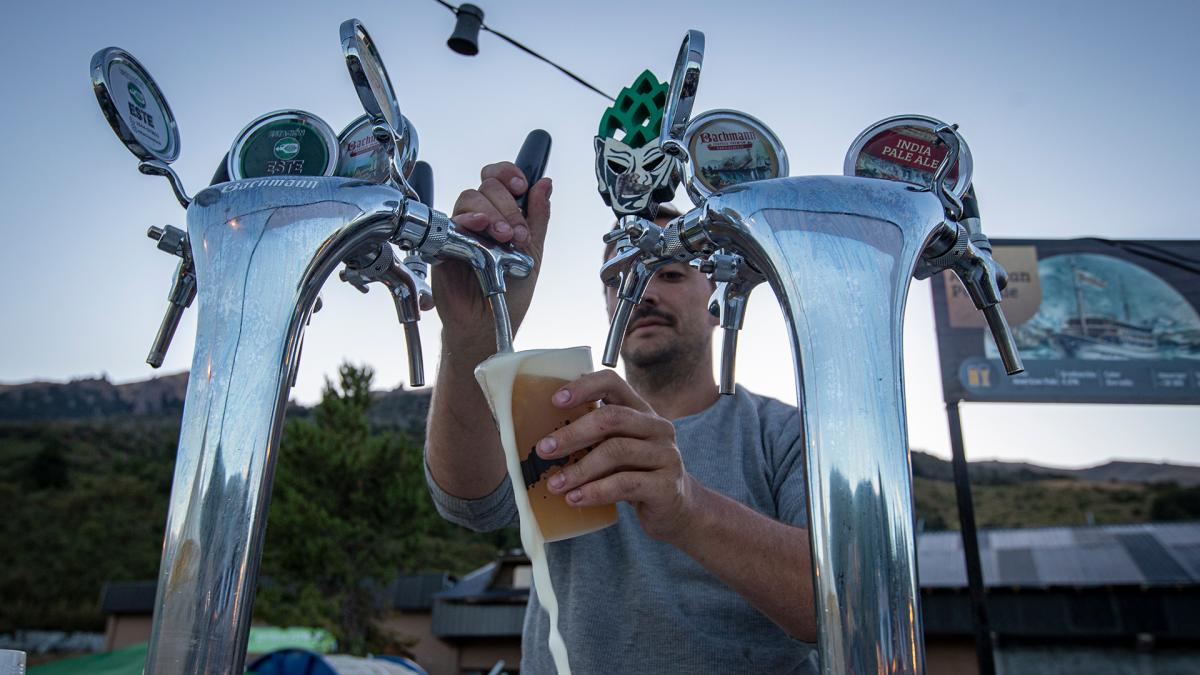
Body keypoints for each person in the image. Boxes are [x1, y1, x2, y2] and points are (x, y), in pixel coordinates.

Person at [423, 162, 818, 673]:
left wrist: (688, 508)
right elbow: (467, 503)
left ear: (717, 299)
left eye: (672, 273)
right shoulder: (562, 418)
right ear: (609, 303)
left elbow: (841, 605)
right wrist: (469, 331)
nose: (645, 291)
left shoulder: (784, 435)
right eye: (622, 278)